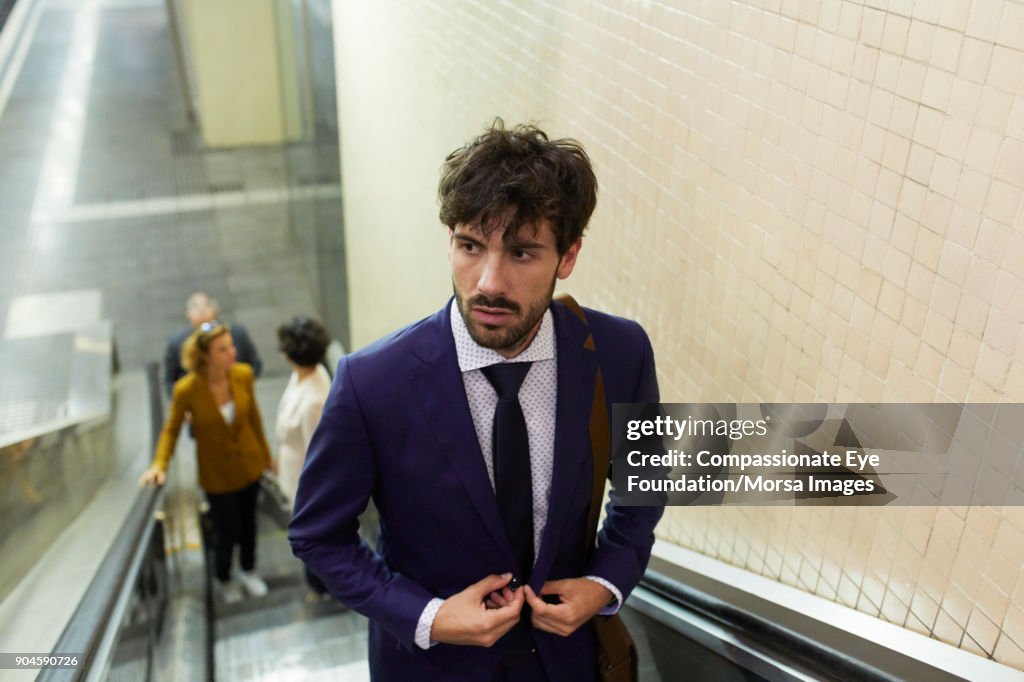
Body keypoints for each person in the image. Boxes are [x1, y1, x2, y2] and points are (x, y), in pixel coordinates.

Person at [289, 120, 663, 681]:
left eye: (521, 253)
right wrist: (428, 617)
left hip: (569, 664)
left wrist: (605, 584)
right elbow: (318, 535)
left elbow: (644, 488)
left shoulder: (620, 350)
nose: (489, 282)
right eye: (470, 246)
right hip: (433, 668)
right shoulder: (371, 382)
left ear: (568, 257)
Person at [142, 321, 273, 603]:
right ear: (205, 356)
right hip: (218, 474)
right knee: (227, 530)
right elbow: (171, 429)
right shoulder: (187, 389)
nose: (232, 352)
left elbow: (255, 419)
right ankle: (224, 577)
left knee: (249, 524)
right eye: (223, 349)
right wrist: (159, 464)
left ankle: (248, 570)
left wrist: (266, 456)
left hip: (249, 466)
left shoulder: (243, 374)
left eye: (231, 345)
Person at [274, 315, 332, 600]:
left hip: (305, 486)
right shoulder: (305, 372)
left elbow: (317, 453)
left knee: (311, 537)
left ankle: (321, 586)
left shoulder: (314, 401)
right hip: (290, 469)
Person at [164, 292, 262, 397]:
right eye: (195, 307)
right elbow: (170, 381)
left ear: (215, 309)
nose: (201, 311)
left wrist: (239, 383)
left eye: (205, 306)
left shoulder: (236, 332)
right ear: (188, 313)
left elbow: (254, 365)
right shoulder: (177, 343)